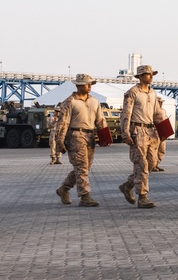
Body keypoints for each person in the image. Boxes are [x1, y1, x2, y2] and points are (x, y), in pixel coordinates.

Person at [53, 74, 109, 207]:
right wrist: (60, 143)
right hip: (75, 136)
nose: (89, 86)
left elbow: (101, 120)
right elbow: (63, 124)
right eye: (86, 84)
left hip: (90, 137)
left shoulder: (95, 101)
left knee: (84, 168)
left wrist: (105, 137)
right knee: (82, 167)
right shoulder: (70, 102)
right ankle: (85, 196)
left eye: (90, 84)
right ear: (78, 85)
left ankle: (64, 189)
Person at [119, 64, 167, 209]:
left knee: (152, 163)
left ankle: (127, 185)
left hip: (151, 132)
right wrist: (126, 133)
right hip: (138, 131)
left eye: (152, 74)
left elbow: (158, 114)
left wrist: (164, 132)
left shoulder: (153, 93)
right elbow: (125, 114)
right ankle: (143, 197)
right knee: (141, 165)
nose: (151, 76)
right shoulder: (132, 93)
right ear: (140, 76)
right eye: (147, 74)